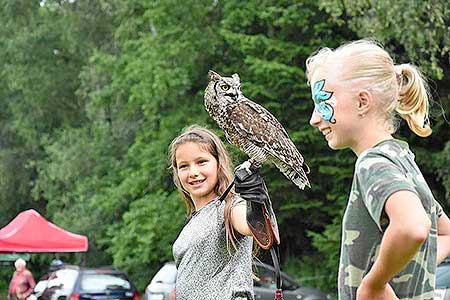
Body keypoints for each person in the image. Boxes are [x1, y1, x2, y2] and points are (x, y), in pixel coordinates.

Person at [305, 39, 450, 300]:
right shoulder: (402, 157)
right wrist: (406, 269)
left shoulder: (373, 163)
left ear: (362, 102)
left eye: (323, 102)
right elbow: (445, 232)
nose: (314, 119)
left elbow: (413, 226)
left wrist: (374, 284)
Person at [169, 125, 254, 300]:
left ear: (218, 164)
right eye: (184, 166)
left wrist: (256, 202)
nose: (193, 172)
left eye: (201, 162)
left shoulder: (231, 207)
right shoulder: (194, 220)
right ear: (177, 173)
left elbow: (251, 224)